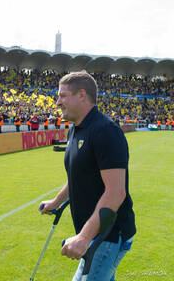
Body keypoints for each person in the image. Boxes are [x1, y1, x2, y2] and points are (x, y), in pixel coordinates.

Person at [39, 70, 136, 281]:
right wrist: (56, 202)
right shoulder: (75, 129)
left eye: (63, 96)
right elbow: (78, 176)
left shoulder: (105, 131)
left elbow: (116, 193)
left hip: (108, 236)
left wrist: (84, 237)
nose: (57, 102)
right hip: (94, 235)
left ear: (81, 95)